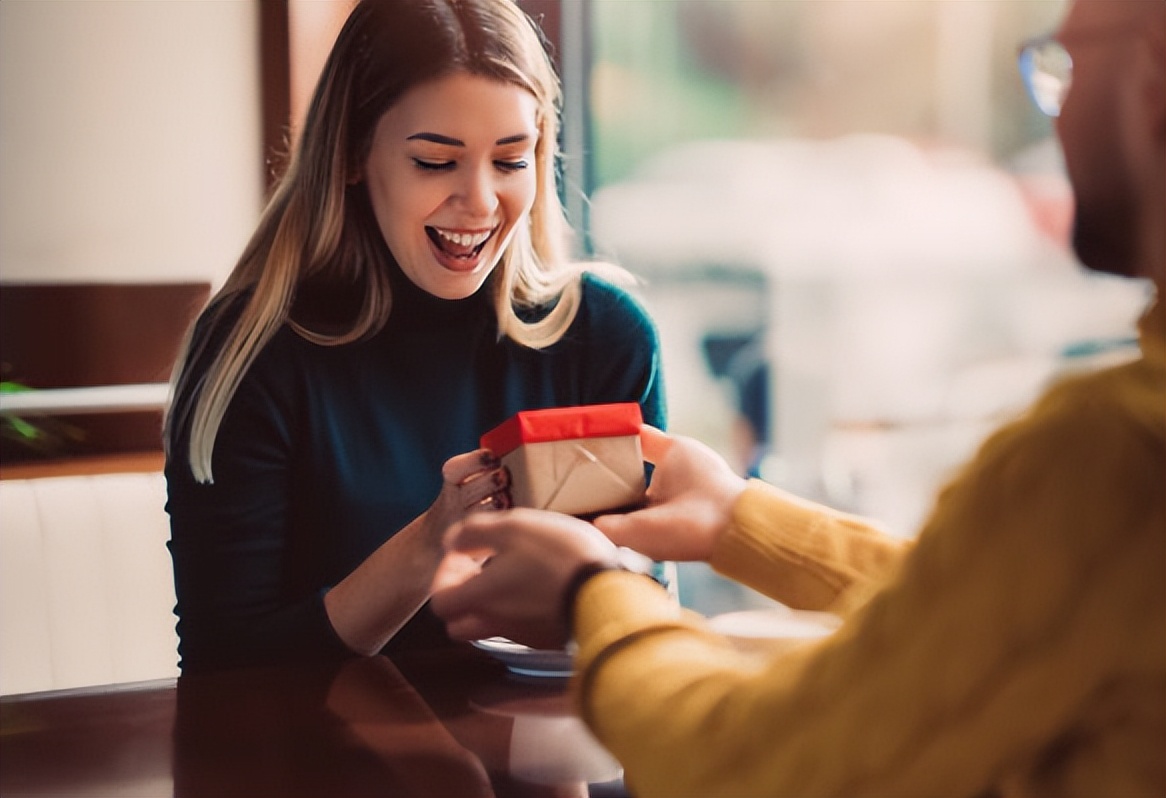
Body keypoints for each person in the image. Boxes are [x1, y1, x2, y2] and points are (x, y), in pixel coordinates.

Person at [431, 1, 1165, 794]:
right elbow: (995, 615)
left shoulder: (1116, 456)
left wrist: (591, 596)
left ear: (1151, 74)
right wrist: (740, 520)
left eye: (1064, 66)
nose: (1051, 112)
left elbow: (749, 767)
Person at [163, 0, 666, 672]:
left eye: (511, 160)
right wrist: (432, 543)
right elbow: (226, 666)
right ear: (350, 155)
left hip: (559, 760)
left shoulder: (601, 336)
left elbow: (643, 609)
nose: (481, 202)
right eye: (436, 162)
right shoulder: (254, 353)